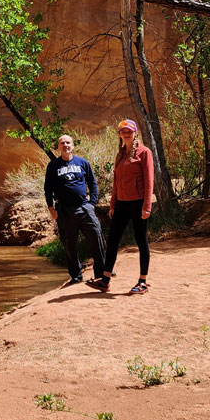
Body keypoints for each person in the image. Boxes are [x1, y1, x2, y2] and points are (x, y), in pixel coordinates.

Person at [43, 133, 108, 286]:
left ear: (73, 146)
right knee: (69, 244)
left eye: (68, 143)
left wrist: (92, 202)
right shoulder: (53, 166)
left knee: (96, 236)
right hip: (64, 211)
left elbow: (92, 183)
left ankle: (101, 271)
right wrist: (51, 207)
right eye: (62, 143)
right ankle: (76, 276)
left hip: (84, 208)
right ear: (59, 147)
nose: (65, 145)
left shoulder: (82, 163)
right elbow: (48, 189)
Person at [103, 119, 155, 294]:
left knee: (141, 241)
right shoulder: (120, 154)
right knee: (113, 240)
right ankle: (105, 280)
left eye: (129, 131)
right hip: (122, 204)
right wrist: (113, 204)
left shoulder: (144, 152)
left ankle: (142, 282)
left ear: (135, 133)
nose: (126, 134)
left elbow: (149, 181)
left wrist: (147, 206)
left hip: (138, 202)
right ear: (119, 134)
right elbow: (116, 182)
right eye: (123, 131)